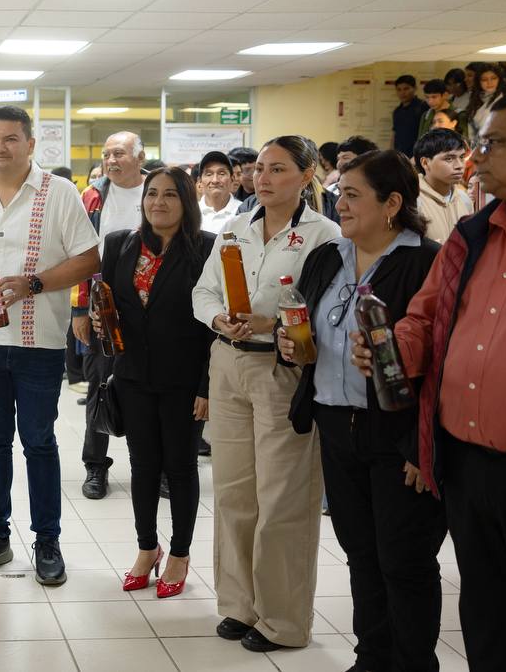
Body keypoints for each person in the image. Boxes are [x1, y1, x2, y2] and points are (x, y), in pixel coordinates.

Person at [352, 89, 506, 672]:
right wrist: (393, 349)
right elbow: (425, 320)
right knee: (491, 624)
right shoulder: (471, 237)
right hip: (469, 468)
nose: (474, 158)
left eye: (493, 144)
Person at [276, 150, 446, 672]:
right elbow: (303, 325)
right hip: (336, 424)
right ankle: (372, 658)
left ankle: (413, 663)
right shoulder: (329, 256)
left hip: (399, 433)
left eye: (352, 195)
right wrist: (292, 344)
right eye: (339, 194)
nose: (341, 205)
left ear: (392, 203)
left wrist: (423, 445)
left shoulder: (427, 262)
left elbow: (443, 360)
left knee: (404, 559)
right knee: (361, 553)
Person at [192, 135, 341, 652]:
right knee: (234, 491)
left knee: (282, 497)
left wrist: (270, 323)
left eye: (277, 169)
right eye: (258, 168)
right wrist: (218, 318)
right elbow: (204, 290)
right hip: (228, 363)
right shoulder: (235, 228)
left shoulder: (323, 236)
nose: (263, 178)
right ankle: (240, 605)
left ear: (306, 175)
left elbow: (324, 312)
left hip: (282, 370)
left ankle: (282, 619)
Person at [0, 106, 99, 586]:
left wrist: (34, 284)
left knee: (39, 442)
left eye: (10, 139)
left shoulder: (59, 192)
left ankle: (47, 539)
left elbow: (89, 259)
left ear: (30, 144)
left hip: (39, 343)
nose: (0, 148)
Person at [93, 167, 214, 599]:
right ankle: (147, 548)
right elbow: (107, 303)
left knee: (180, 467)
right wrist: (100, 326)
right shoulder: (120, 244)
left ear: (187, 202)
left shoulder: (207, 248)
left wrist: (206, 386)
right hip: (132, 375)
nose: (157, 202)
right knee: (142, 466)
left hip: (184, 379)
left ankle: (179, 553)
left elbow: (212, 326)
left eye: (170, 195)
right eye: (151, 194)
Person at [72, 131, 146, 500]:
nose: (111, 161)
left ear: (140, 157)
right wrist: (79, 308)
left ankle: (150, 467)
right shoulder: (92, 196)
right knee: (100, 386)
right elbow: (78, 253)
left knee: (149, 389)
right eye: (107, 154)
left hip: (151, 307)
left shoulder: (159, 191)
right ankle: (95, 466)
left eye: (119, 153)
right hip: (102, 307)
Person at [413, 128, 473, 245]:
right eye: (449, 159)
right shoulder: (413, 202)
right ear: (425, 163)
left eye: (461, 157)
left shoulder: (464, 199)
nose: (459, 166)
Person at [197, 151, 242, 233]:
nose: (215, 180)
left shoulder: (243, 211)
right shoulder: (191, 212)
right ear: (200, 181)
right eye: (209, 174)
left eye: (221, 173)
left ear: (232, 179)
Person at [466, 62, 506, 135]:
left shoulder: (505, 100)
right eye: (484, 79)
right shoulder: (475, 99)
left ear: (499, 80)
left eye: (493, 78)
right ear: (479, 82)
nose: (489, 82)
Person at [392, 74, 430, 158]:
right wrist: (391, 153)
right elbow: (395, 134)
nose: (402, 93)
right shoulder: (397, 111)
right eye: (399, 89)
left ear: (414, 88)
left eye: (406, 89)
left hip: (418, 154)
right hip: (400, 155)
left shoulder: (423, 107)